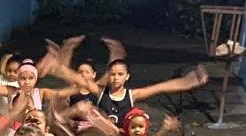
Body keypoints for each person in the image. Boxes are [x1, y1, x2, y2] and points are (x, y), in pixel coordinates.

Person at [70, 49, 209, 125]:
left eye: (120, 74)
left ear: (127, 76)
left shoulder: (132, 94)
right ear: (108, 76)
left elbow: (161, 87)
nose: (116, 78)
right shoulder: (100, 91)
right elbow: (74, 77)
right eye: (112, 74)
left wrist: (188, 82)